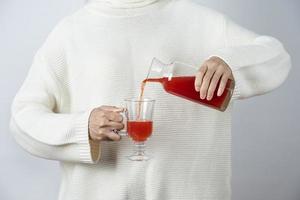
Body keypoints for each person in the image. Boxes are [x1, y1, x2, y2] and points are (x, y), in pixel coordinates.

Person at [9, 0, 291, 199]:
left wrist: (232, 62)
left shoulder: (201, 20)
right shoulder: (71, 32)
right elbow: (22, 119)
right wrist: (83, 127)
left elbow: (277, 56)